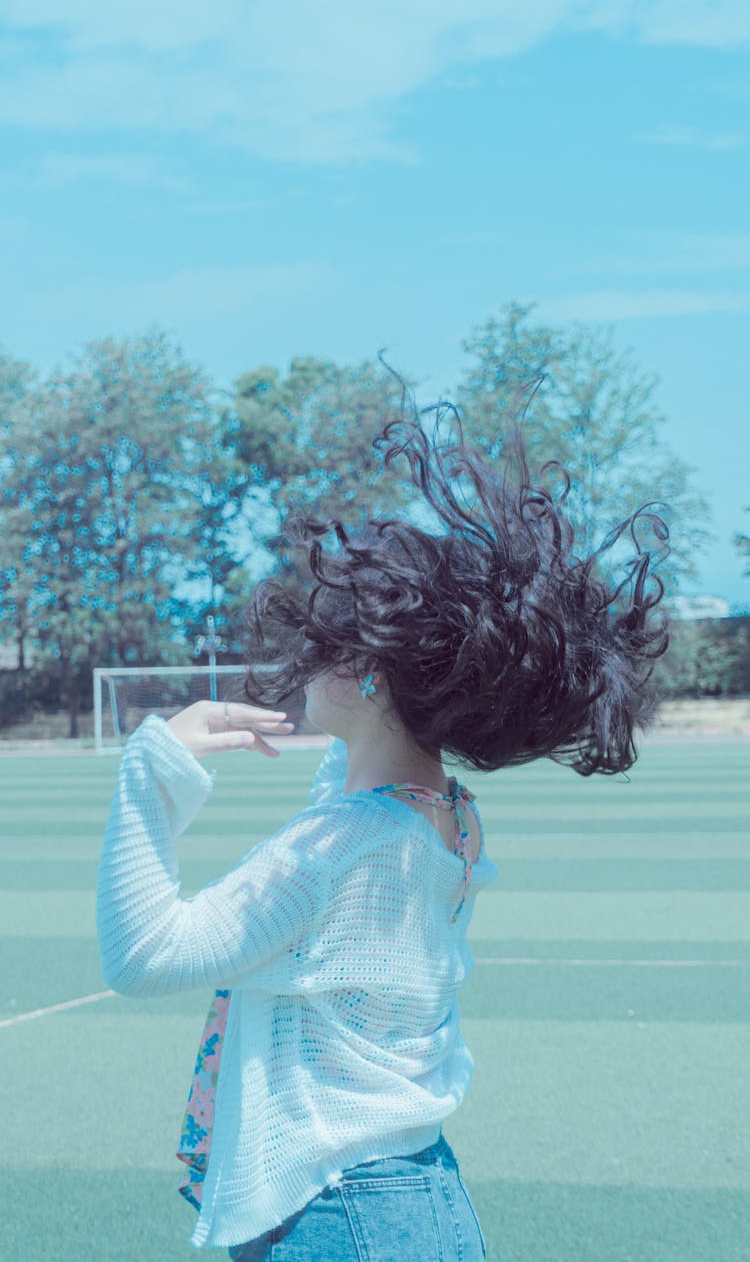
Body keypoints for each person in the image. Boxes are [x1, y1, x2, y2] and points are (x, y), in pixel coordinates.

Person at [96, 384, 669, 1259]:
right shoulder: (449, 818)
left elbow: (143, 955)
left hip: (338, 1219)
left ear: (371, 671)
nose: (303, 663)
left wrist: (152, 766)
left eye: (326, 643)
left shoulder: (338, 850)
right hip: (423, 1198)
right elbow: (368, 779)